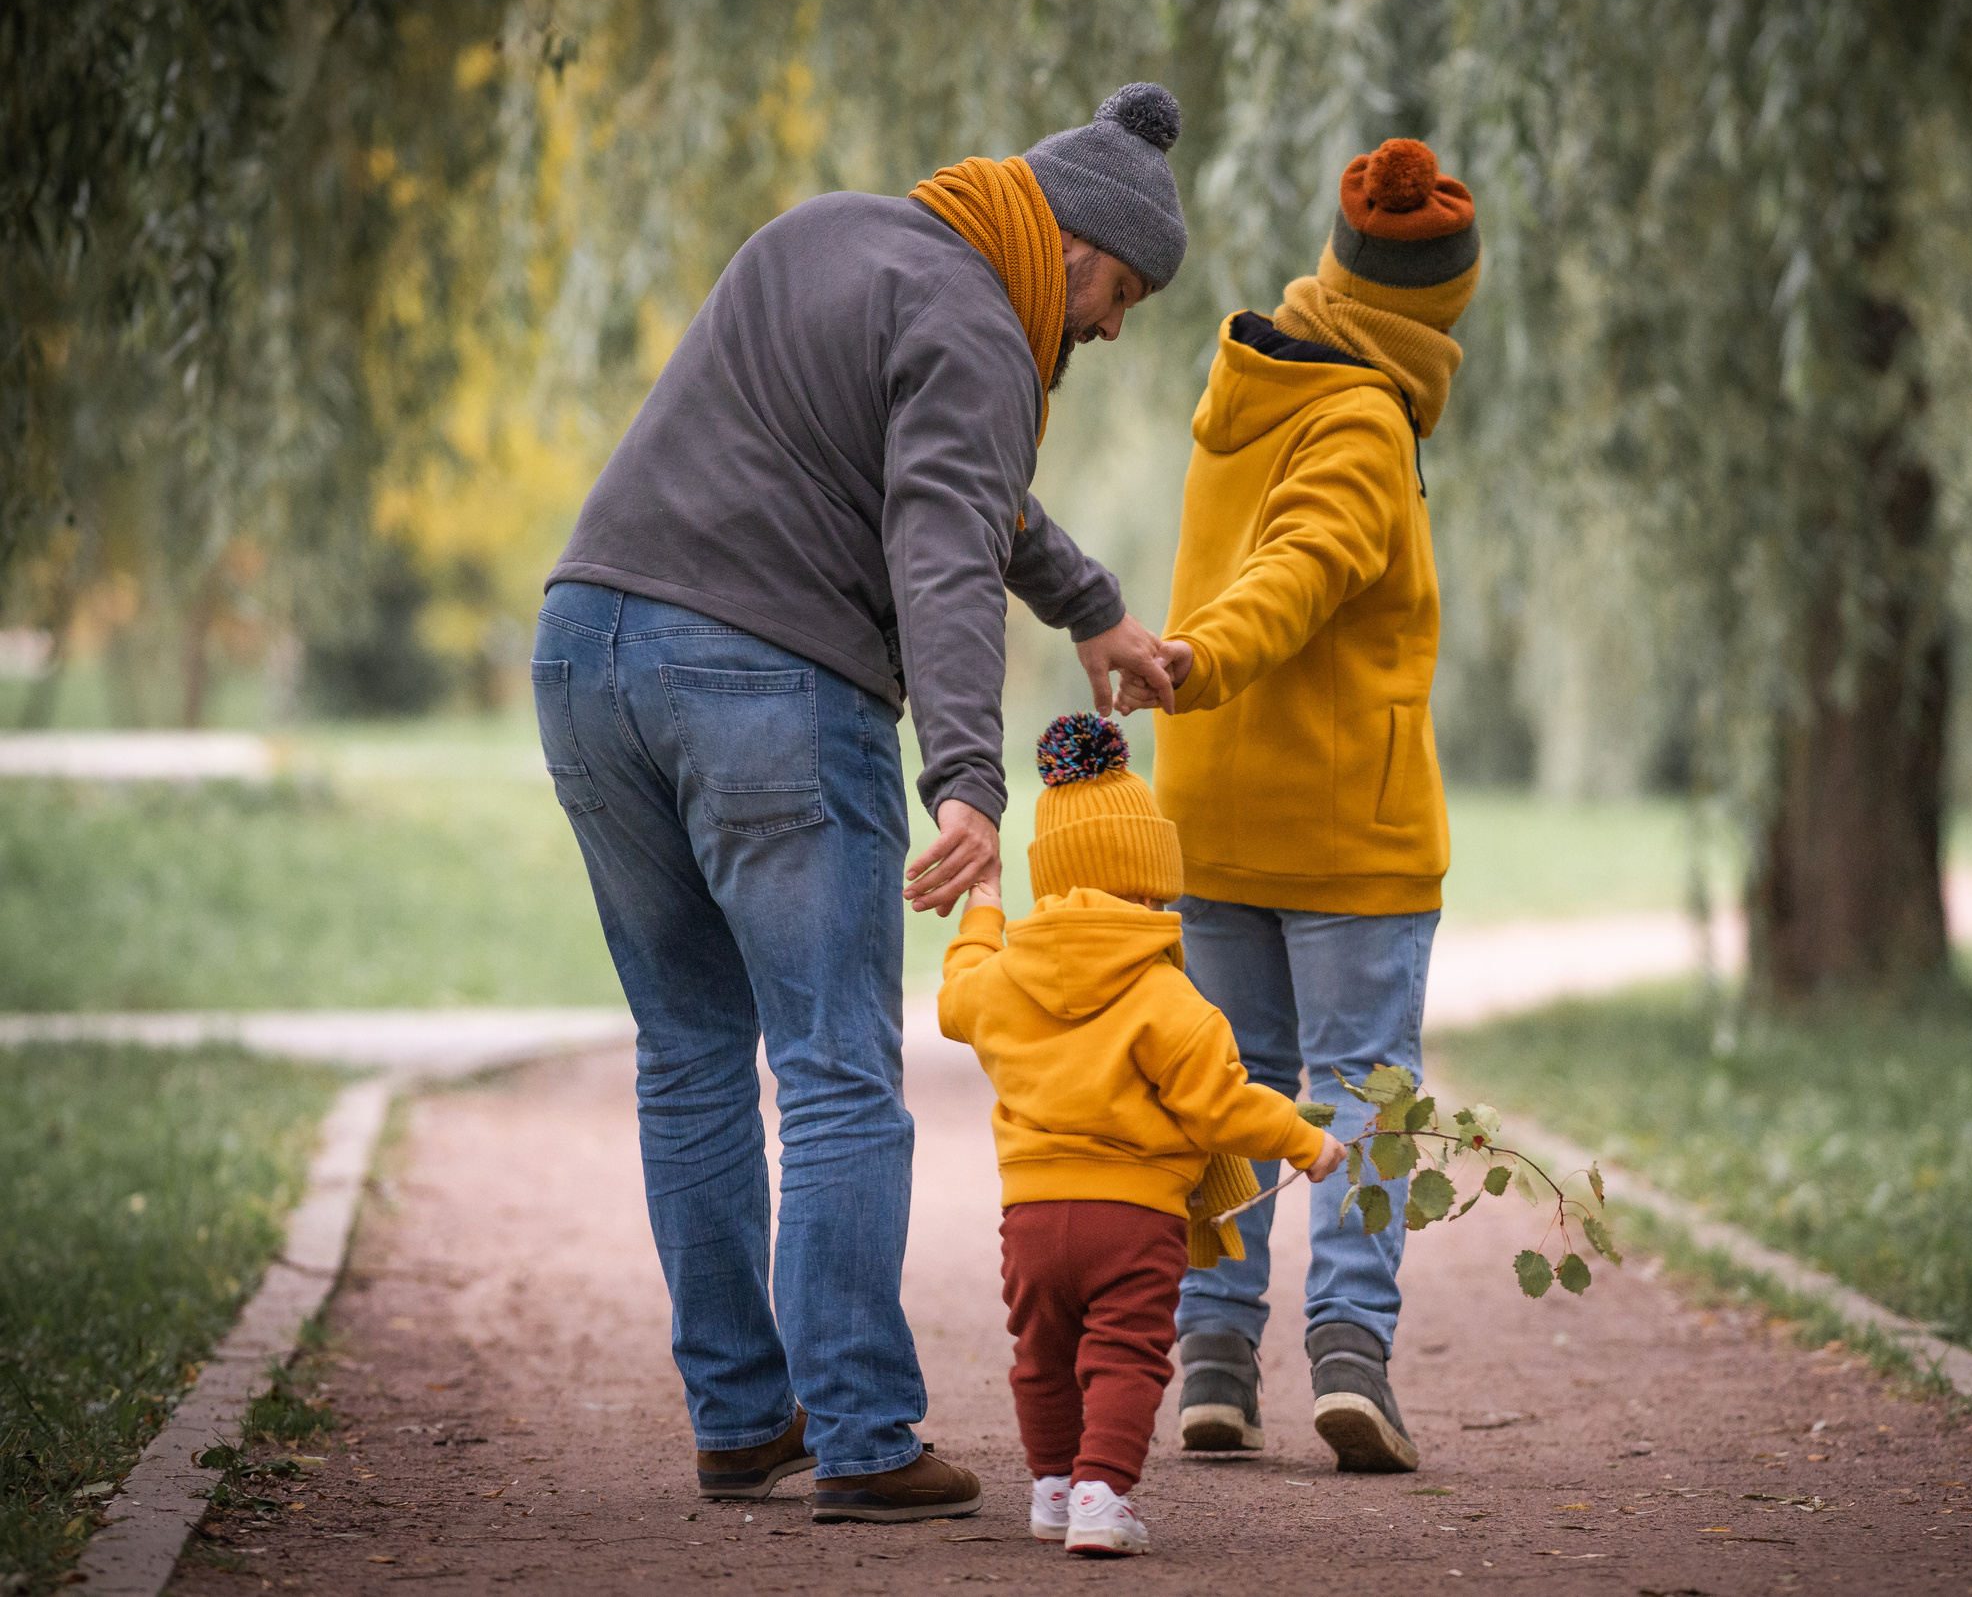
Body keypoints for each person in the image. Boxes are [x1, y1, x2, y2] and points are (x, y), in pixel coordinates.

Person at [530, 83, 1191, 1523]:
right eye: (1120, 295)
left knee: (689, 1051)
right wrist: (967, 777)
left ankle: (740, 1418)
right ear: (1073, 249)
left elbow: (940, 480)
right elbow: (941, 538)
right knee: (834, 1062)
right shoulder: (981, 326)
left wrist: (1089, 605)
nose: (1107, 331)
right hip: (764, 679)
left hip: (584, 650)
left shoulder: (826, 235)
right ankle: (863, 1436)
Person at [1145, 136, 1480, 1474]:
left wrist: (1194, 672)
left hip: (1212, 812)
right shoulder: (1363, 416)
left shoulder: (1251, 382)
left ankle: (1215, 1363)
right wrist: (1203, 658)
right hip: (1345, 824)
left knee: (1225, 1086)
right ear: (1436, 309)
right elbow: (1306, 565)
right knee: (1359, 1092)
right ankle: (1349, 1354)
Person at [939, 714, 1345, 1556]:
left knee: (1042, 1354)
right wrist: (1304, 1141)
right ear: (1152, 885)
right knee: (1126, 1357)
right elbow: (1222, 1105)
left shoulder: (1004, 979)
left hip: (1032, 1218)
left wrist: (984, 909)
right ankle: (1102, 1493)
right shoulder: (1171, 1000)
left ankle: (1053, 1488)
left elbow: (956, 993)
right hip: (1135, 1220)